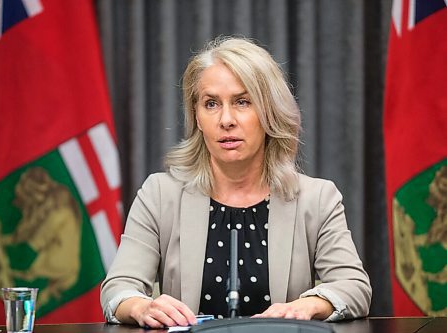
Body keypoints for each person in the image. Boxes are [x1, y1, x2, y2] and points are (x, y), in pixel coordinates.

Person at [100, 36, 372, 328]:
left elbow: (354, 287)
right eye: (211, 104)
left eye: (242, 102)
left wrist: (309, 305)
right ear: (197, 116)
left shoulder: (316, 198)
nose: (226, 119)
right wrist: (141, 306)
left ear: (269, 111)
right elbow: (118, 288)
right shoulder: (160, 194)